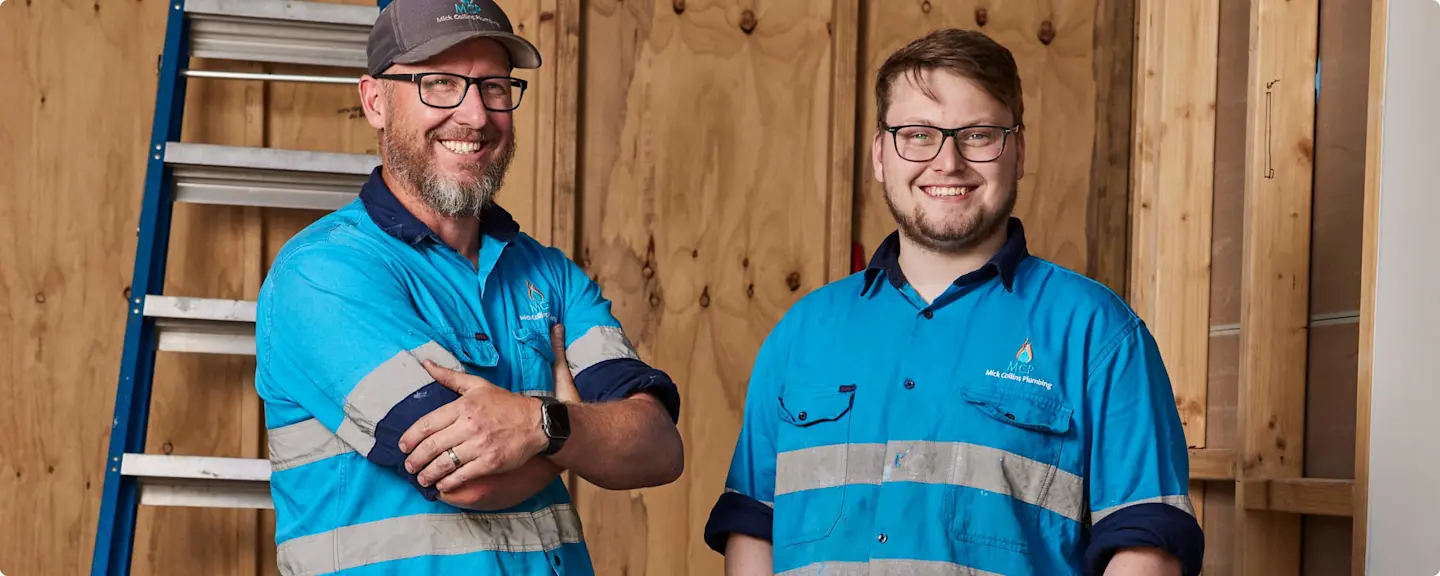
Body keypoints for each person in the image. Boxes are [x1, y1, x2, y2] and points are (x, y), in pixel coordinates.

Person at [703, 28, 1203, 576]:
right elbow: (753, 530)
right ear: (880, 155)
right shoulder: (802, 333)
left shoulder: (1098, 335)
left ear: (1018, 152)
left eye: (979, 135)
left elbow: (1145, 550)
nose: (948, 162)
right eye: (918, 134)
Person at [253, 0, 684, 573]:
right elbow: (467, 477)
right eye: (440, 83)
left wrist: (538, 425)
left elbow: (657, 449)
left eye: (495, 87)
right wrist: (580, 432)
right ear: (375, 101)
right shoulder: (323, 273)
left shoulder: (547, 274)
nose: (475, 116)